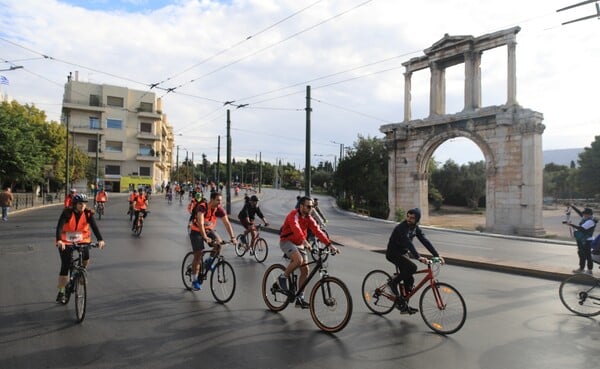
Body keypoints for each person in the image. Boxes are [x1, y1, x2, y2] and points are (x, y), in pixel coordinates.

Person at [278, 196, 338, 308]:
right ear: (301, 206)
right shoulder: (293, 215)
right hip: (287, 241)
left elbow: (318, 231)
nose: (311, 209)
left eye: (312, 206)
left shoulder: (309, 218)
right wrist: (305, 242)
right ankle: (283, 276)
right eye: (309, 206)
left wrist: (330, 245)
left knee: (305, 270)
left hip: (299, 243)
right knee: (299, 260)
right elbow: (296, 229)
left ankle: (299, 299)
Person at [386, 208, 444, 314]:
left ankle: (402, 304)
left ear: (417, 219)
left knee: (410, 280)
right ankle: (393, 283)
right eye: (408, 216)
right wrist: (418, 257)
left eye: (412, 218)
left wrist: (437, 255)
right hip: (393, 253)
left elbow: (425, 241)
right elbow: (408, 243)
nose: (409, 219)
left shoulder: (415, 228)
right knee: (412, 267)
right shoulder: (401, 227)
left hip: (403, 253)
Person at [54, 194, 105, 303]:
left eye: (84, 203)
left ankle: (82, 271)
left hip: (82, 239)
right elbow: (59, 227)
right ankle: (62, 291)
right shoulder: (67, 212)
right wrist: (59, 240)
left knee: (86, 257)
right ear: (75, 204)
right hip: (65, 240)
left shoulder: (88, 213)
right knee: (66, 264)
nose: (83, 205)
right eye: (80, 203)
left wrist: (100, 239)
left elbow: (94, 227)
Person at [188, 191, 237, 290]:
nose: (220, 203)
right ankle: (194, 281)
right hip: (196, 231)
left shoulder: (219, 210)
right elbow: (201, 223)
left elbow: (227, 223)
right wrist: (205, 237)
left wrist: (233, 237)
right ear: (212, 199)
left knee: (219, 245)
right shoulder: (202, 207)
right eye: (218, 200)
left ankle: (208, 262)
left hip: (208, 230)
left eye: (221, 201)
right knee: (198, 255)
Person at [563, 205, 597, 274]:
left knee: (586, 255)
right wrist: (573, 206)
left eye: (585, 214)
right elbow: (580, 213)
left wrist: (570, 224)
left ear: (589, 214)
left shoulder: (591, 221)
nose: (583, 215)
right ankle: (583, 268)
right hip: (582, 239)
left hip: (586, 241)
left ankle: (587, 269)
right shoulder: (586, 218)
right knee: (582, 254)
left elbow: (581, 228)